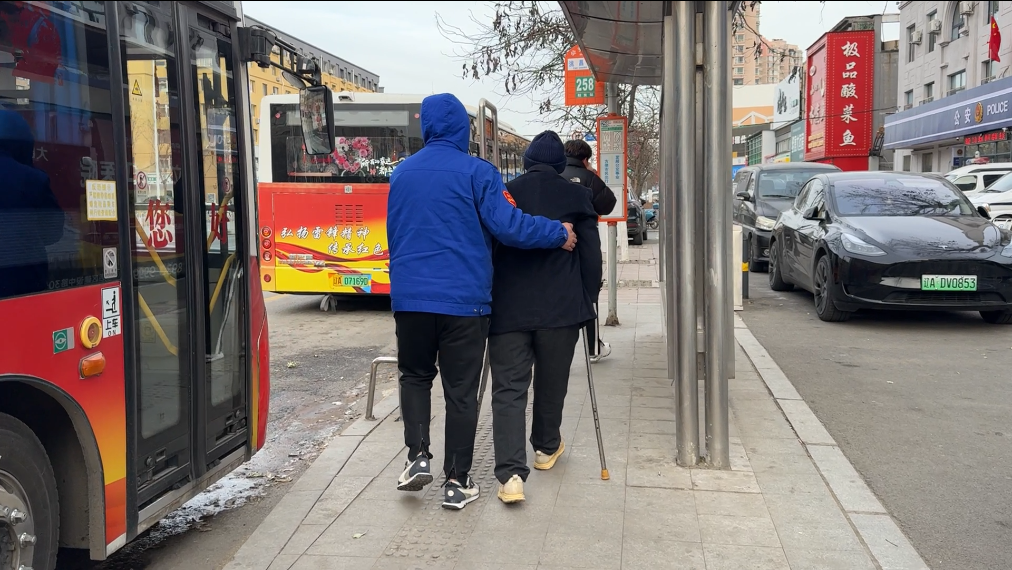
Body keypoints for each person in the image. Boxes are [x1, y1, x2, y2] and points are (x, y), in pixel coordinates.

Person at [386, 93, 578, 510]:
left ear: (426, 127)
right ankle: (457, 482)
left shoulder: (401, 173)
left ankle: (417, 455)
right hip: (464, 304)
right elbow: (509, 226)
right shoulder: (478, 172)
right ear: (463, 129)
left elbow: (396, 233)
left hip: (411, 300)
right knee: (460, 392)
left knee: (414, 377)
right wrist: (558, 233)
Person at [488, 131, 602, 503]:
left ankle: (510, 476)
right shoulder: (576, 196)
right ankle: (545, 447)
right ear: (559, 165)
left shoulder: (505, 193)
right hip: (561, 307)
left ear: (526, 162)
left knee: (508, 389)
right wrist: (588, 299)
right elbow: (590, 256)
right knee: (552, 381)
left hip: (508, 307)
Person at [562, 139, 616, 363]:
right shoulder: (589, 178)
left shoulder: (554, 175)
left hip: (557, 245)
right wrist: (592, 175)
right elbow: (608, 204)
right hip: (585, 245)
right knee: (589, 295)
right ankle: (593, 347)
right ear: (585, 159)